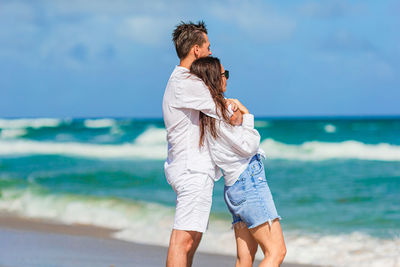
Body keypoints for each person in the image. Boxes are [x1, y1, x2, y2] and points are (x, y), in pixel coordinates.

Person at [190, 56, 287, 267]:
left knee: (245, 258)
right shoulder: (223, 111)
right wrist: (247, 116)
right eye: (225, 74)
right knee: (276, 251)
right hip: (248, 183)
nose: (227, 78)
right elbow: (249, 146)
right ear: (215, 79)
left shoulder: (202, 116)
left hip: (233, 187)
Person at [162, 21, 241, 267]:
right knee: (183, 240)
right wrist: (238, 112)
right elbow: (224, 114)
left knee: (192, 239)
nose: (210, 51)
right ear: (196, 49)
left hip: (191, 168)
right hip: (191, 169)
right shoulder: (187, 83)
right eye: (207, 46)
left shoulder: (184, 81)